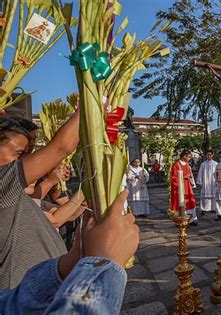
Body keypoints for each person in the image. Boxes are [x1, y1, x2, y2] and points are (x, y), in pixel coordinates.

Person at [0, 190, 139, 314]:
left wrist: (70, 263)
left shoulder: (23, 199)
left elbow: (10, 306)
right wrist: (101, 266)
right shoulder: (9, 197)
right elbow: (56, 219)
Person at [0, 112, 79, 289]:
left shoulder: (13, 192)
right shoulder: (2, 183)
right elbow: (61, 147)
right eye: (19, 153)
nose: (24, 160)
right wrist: (90, 106)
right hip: (23, 294)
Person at [170, 150, 198, 225]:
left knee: (190, 202)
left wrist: (191, 180)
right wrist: (185, 176)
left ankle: (191, 219)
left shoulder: (187, 164)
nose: (190, 158)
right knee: (182, 203)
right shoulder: (176, 165)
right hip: (180, 187)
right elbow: (173, 177)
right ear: (184, 156)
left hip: (187, 186)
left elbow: (190, 174)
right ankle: (182, 220)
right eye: (189, 157)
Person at [196, 150, 218, 216]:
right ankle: (204, 209)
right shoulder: (203, 164)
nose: (209, 156)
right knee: (204, 197)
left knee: (214, 196)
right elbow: (200, 173)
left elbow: (217, 174)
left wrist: (218, 181)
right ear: (206, 155)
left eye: (210, 154)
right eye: (207, 154)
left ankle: (214, 208)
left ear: (212, 155)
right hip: (205, 182)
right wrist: (200, 181)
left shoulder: (216, 164)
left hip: (213, 182)